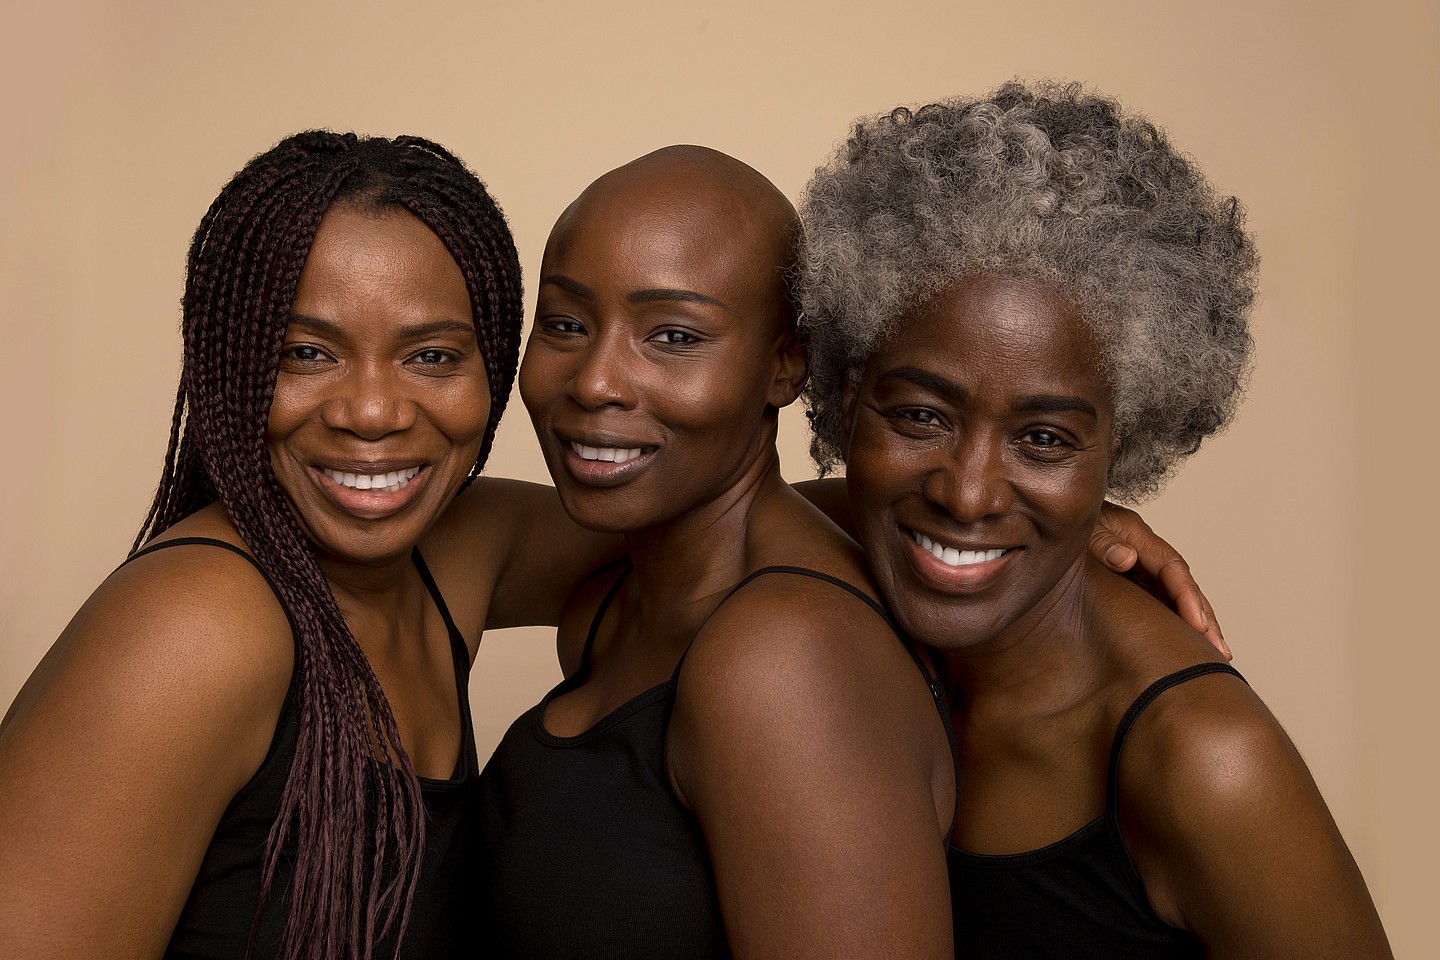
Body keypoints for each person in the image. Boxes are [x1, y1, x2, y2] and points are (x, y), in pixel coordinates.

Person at [474, 144, 1229, 958]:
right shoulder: (622, 586)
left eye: (673, 335)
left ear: (787, 363)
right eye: (564, 323)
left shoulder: (786, 655)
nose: (594, 381)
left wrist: (1062, 520)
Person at [796, 80, 1393, 958]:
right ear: (849, 400)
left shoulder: (1203, 759)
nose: (967, 493)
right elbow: (699, 521)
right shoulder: (847, 594)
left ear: (1122, 449)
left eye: (1044, 438)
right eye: (922, 416)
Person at [0, 131, 618, 960]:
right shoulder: (197, 624)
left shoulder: (452, 556)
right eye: (307, 354)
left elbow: (712, 525)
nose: (371, 410)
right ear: (235, 370)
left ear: (494, 371)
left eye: (431, 356)